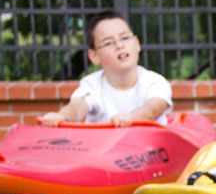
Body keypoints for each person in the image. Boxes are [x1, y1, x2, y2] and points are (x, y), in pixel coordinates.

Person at [39, 10, 172, 127]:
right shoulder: (92, 86)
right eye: (108, 42)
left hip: (148, 150)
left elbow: (153, 109)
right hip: (105, 152)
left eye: (125, 38)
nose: (119, 46)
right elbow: (76, 108)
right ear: (94, 55)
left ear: (137, 44)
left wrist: (131, 118)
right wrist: (62, 117)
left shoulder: (155, 82)